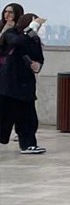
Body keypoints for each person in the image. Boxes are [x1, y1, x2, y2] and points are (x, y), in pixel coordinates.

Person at [0, 13, 46, 154]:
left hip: (26, 84)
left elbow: (39, 57)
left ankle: (28, 144)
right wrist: (31, 27)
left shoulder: (34, 39)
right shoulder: (10, 34)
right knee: (4, 117)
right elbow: (18, 42)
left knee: (28, 118)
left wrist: (37, 65)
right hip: (9, 83)